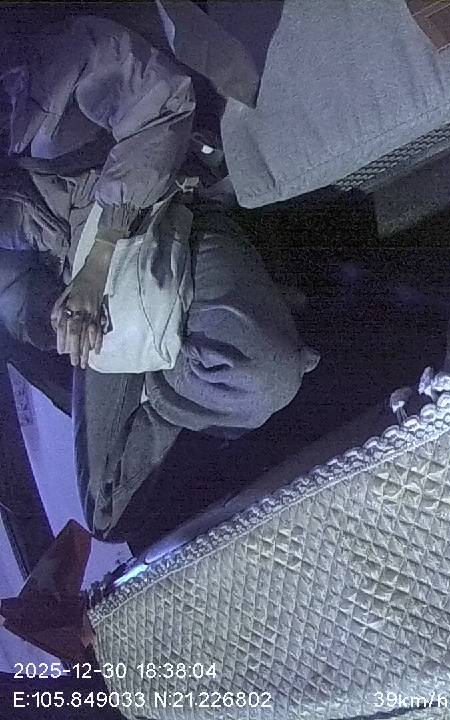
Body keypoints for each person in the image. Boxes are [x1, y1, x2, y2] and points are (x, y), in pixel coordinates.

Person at [1, 16, 313, 542]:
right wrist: (52, 319)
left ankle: (186, 361)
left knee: (266, 377)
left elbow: (163, 104)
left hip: (161, 221)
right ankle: (177, 369)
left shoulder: (55, 58)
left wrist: (101, 256)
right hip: (94, 297)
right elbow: (13, 295)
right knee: (108, 514)